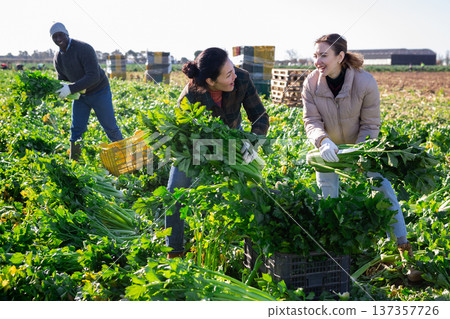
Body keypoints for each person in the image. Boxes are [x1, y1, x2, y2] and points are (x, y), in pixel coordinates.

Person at [302, 33, 422, 282]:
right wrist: (323, 141)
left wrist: (357, 152)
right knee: (328, 199)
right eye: (315, 55)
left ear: (340, 56)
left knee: (384, 191)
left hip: (361, 151)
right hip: (328, 151)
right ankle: (334, 256)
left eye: (323, 55)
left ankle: (404, 254)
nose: (318, 61)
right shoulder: (311, 84)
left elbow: (370, 124)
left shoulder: (365, 82)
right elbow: (311, 121)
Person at [166, 47, 270, 258]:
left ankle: (254, 251)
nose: (234, 76)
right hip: (197, 145)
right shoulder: (191, 95)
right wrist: (203, 153)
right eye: (228, 74)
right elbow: (181, 135)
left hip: (233, 137)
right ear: (211, 81)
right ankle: (175, 251)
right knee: (175, 191)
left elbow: (260, 117)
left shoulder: (242, 78)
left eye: (233, 69)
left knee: (251, 191)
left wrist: (252, 141)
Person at [49, 22, 123, 161]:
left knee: (110, 126)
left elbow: (93, 76)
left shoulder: (83, 48)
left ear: (67, 34)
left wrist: (70, 88)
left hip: (99, 91)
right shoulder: (58, 57)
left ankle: (123, 157)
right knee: (76, 129)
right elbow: (63, 79)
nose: (58, 38)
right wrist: (59, 89)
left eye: (61, 35)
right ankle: (74, 163)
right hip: (80, 96)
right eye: (55, 36)